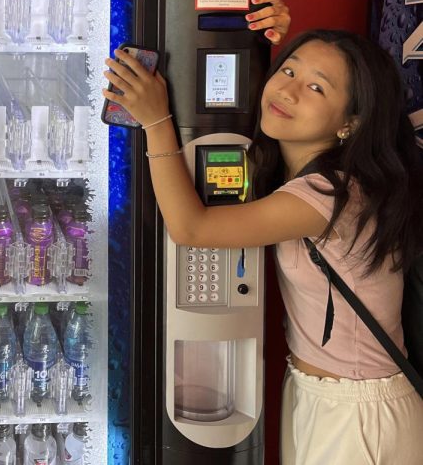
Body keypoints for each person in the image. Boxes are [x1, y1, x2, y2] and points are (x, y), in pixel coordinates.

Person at [103, 26, 423, 463]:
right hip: (322, 393)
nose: (288, 91)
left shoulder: (329, 195)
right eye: (288, 70)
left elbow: (192, 228)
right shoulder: (304, 180)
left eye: (315, 87)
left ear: (351, 122)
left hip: (359, 411)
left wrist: (157, 121)